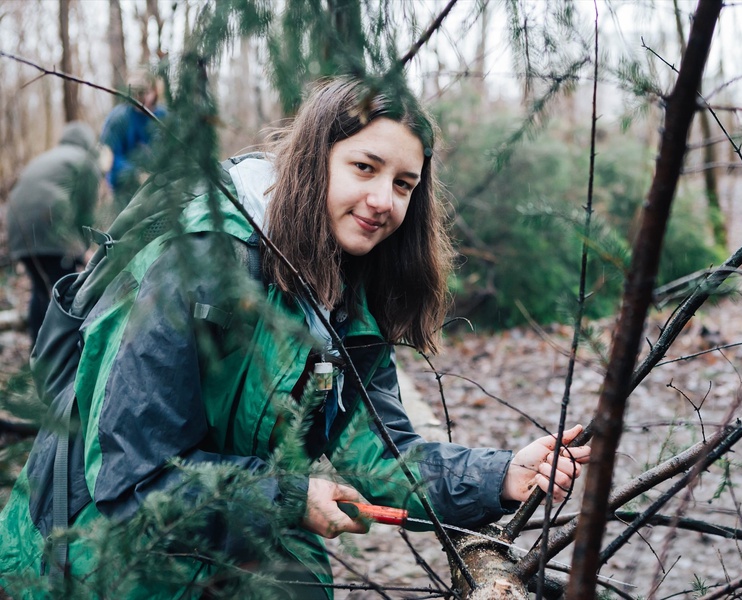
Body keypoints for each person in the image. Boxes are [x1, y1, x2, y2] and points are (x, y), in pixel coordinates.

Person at [0, 77, 591, 599]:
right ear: (314, 161)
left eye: (405, 184)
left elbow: (380, 458)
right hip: (88, 555)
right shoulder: (195, 258)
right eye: (365, 168)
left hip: (219, 534)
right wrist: (286, 497)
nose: (384, 200)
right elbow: (132, 483)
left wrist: (501, 475)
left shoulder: (347, 292)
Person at [5, 121, 102, 345]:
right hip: (51, 225)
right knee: (66, 290)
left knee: (40, 290)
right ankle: (66, 351)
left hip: (17, 227)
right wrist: (85, 249)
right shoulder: (86, 161)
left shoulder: (47, 157)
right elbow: (85, 212)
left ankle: (38, 353)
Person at [99, 67, 167, 213]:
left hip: (161, 194)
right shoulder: (118, 119)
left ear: (155, 91)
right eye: (136, 93)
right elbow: (109, 160)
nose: (140, 98)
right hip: (125, 195)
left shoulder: (163, 118)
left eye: (145, 92)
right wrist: (137, 175)